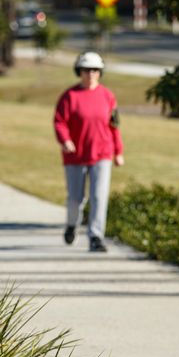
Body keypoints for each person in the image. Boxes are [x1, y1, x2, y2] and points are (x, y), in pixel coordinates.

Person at [54, 51, 124, 252]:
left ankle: (96, 236)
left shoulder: (108, 96)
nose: (91, 74)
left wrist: (118, 152)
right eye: (86, 70)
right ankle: (71, 224)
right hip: (75, 155)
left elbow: (114, 126)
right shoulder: (69, 97)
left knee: (99, 196)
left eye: (95, 70)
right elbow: (60, 122)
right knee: (76, 198)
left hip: (102, 153)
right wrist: (65, 140)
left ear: (100, 72)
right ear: (79, 72)